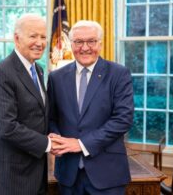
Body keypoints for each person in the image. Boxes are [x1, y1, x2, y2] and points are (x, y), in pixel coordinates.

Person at [47, 20, 134, 195]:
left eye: (91, 41)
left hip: (107, 175)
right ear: (70, 44)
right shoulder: (56, 77)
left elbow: (122, 119)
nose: (85, 47)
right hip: (68, 175)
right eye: (79, 42)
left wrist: (81, 144)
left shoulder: (118, 74)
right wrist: (55, 137)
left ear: (100, 43)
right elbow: (51, 117)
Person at [0, 13, 51, 195]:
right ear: (16, 38)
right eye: (33, 36)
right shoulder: (1, 72)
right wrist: (48, 144)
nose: (39, 42)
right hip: (11, 175)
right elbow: (6, 127)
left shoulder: (37, 69)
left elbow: (38, 115)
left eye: (43, 37)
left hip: (35, 169)